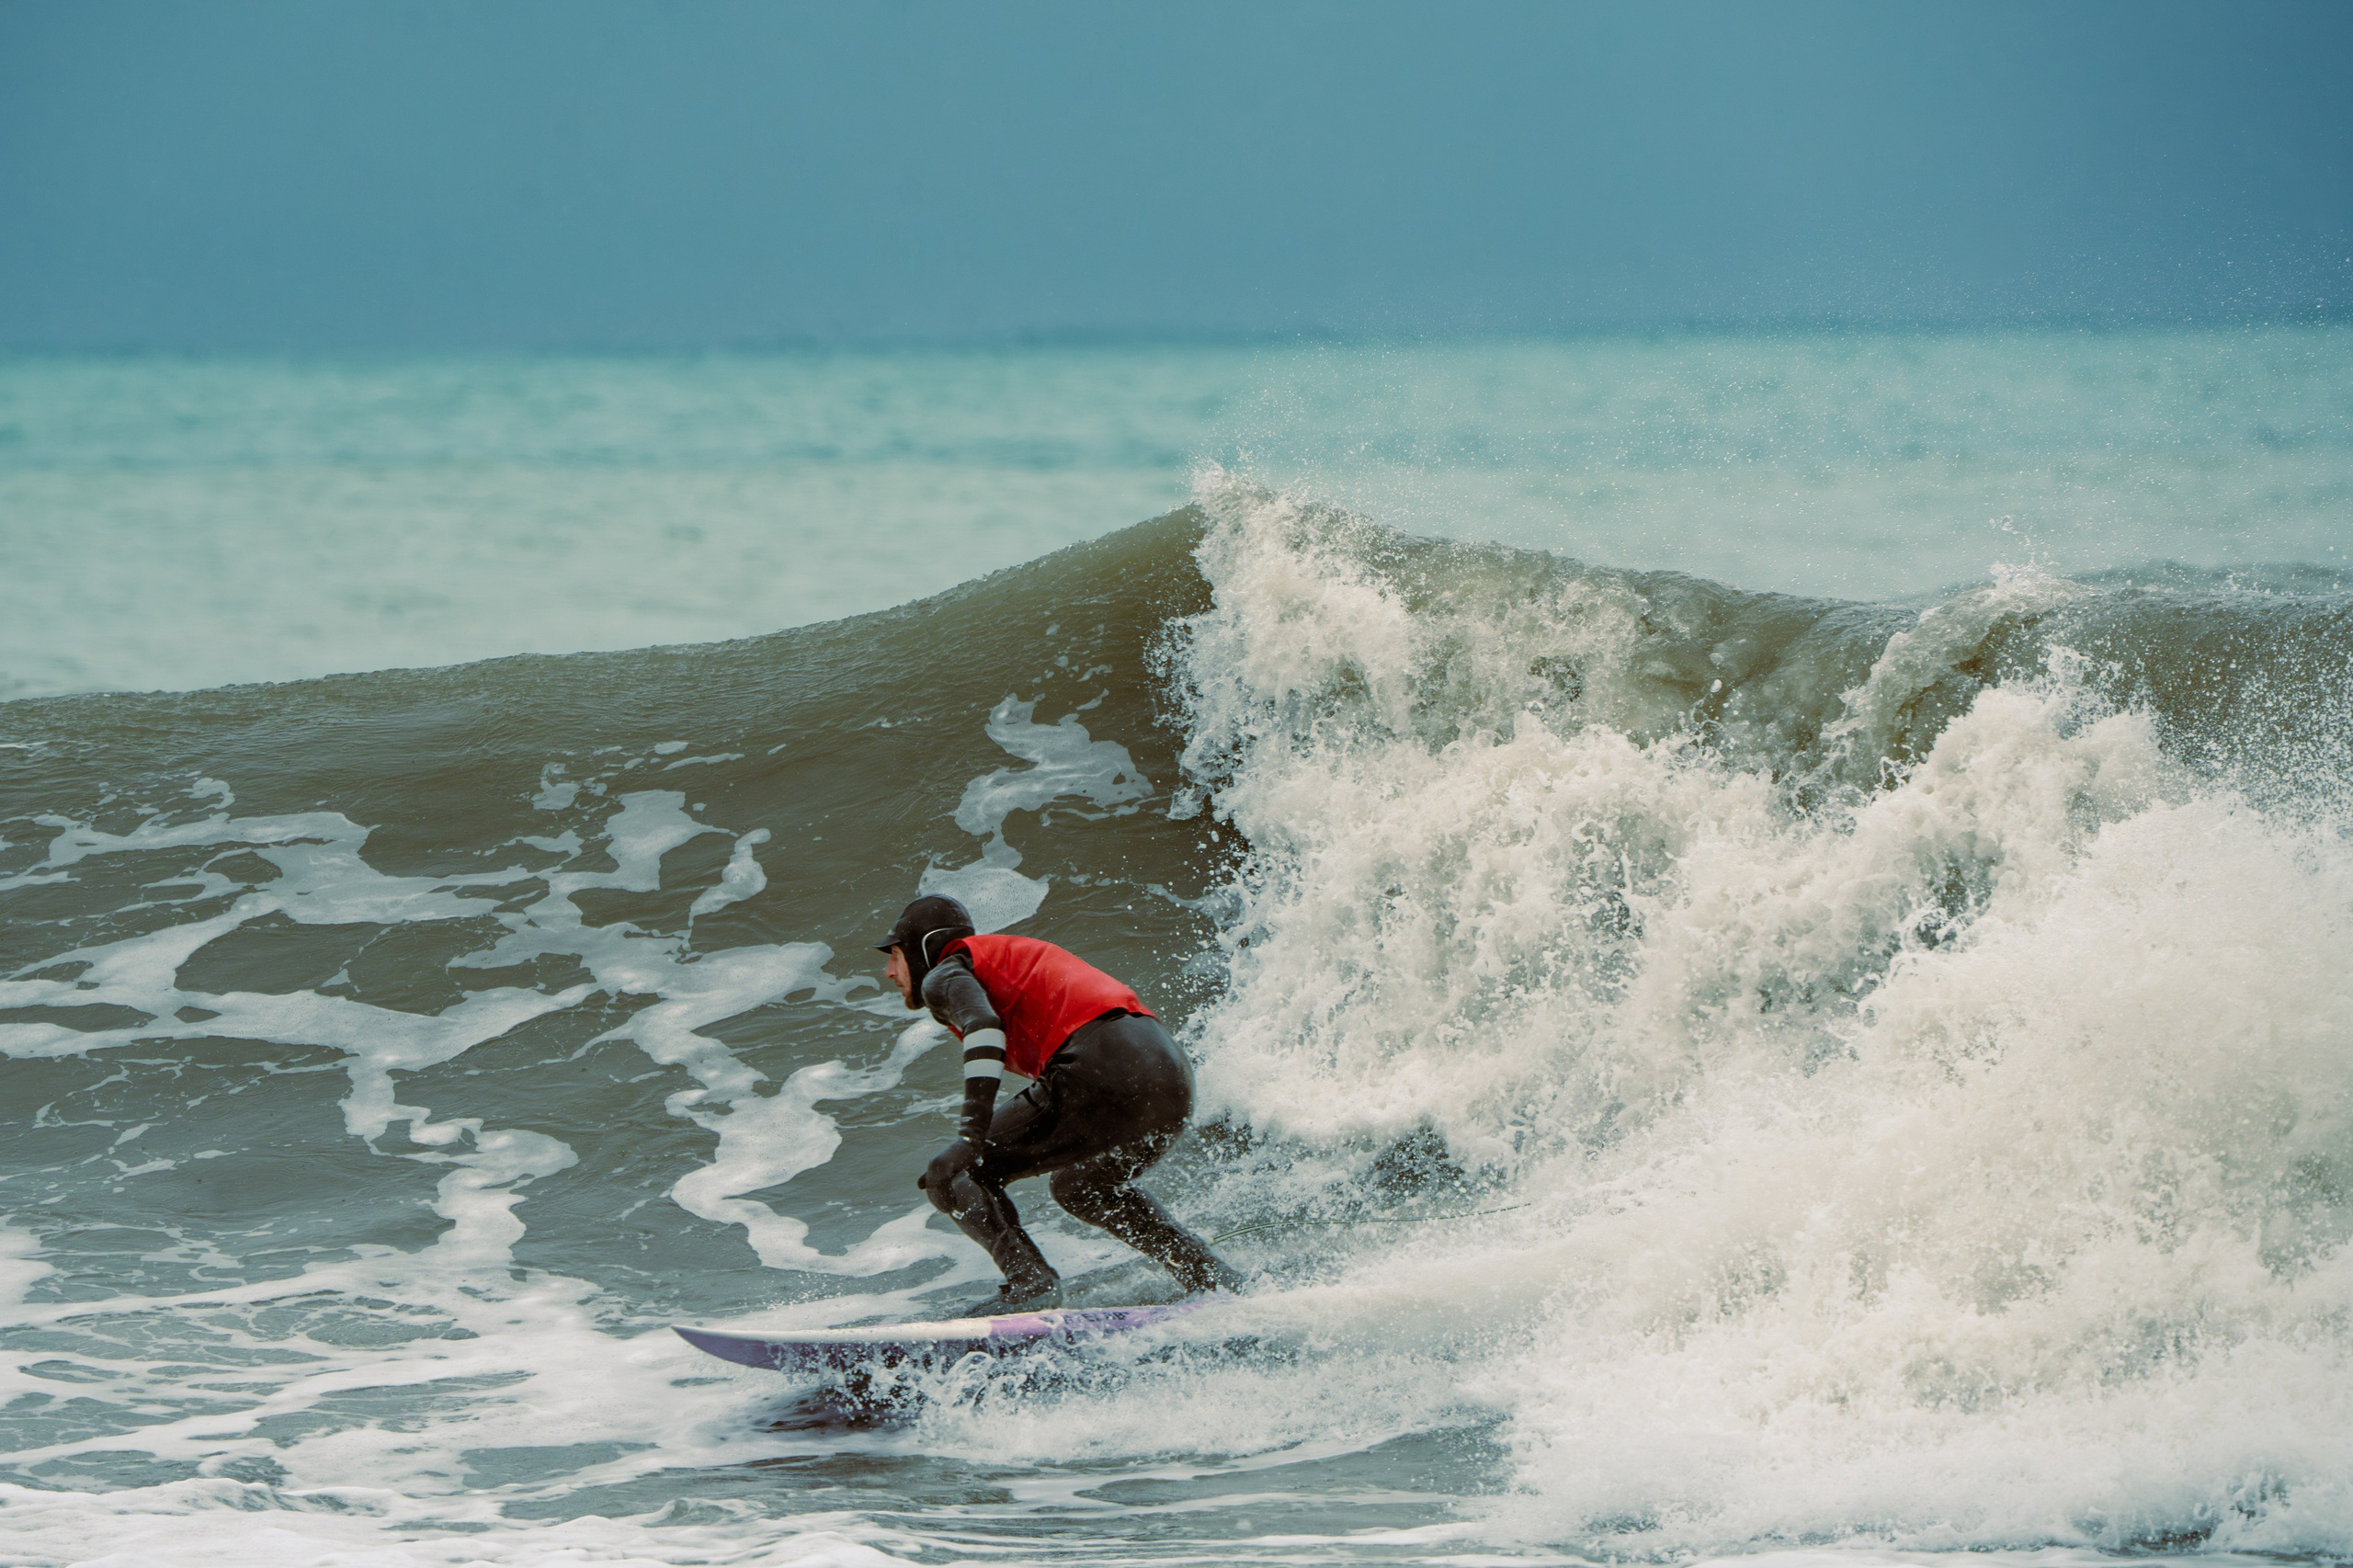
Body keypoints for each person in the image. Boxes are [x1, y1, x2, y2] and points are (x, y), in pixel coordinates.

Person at [876, 894, 1242, 1315]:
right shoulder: (997, 961)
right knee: (1082, 1188)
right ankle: (1211, 1279)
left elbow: (983, 1026)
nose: (889, 972)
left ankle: (1031, 1286)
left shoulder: (943, 974)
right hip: (1169, 1078)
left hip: (1102, 1062)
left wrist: (968, 1138)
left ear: (925, 949)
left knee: (952, 1174)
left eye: (896, 956)